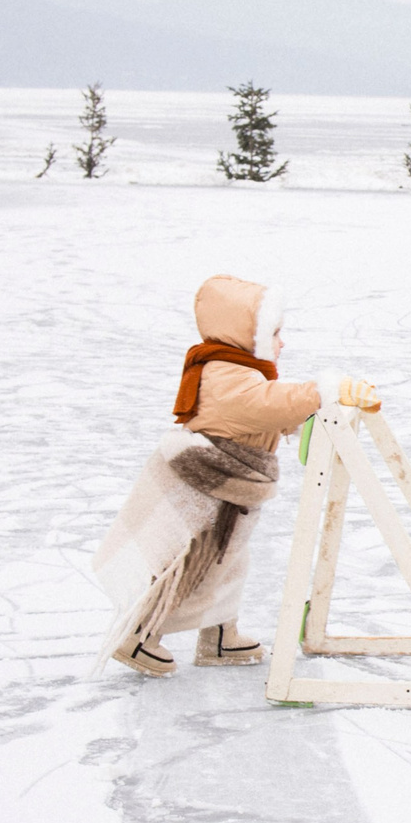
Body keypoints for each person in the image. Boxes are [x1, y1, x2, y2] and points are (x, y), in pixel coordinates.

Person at [95, 275, 324, 676]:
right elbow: (261, 406)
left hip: (232, 486)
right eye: (275, 333)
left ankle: (220, 635)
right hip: (214, 485)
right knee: (194, 563)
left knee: (229, 562)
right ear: (247, 333)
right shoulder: (227, 374)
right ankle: (138, 634)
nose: (282, 343)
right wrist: (322, 391)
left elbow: (260, 419)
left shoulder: (240, 369)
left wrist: (298, 419)